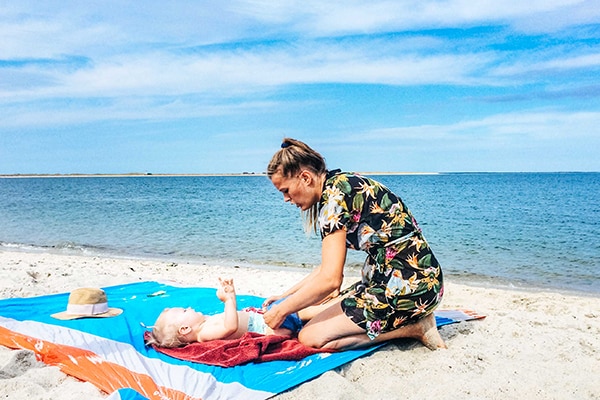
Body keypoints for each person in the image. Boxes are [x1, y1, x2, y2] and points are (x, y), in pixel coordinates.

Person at [262, 138, 446, 351]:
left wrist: (281, 310)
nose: (286, 199)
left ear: (305, 177)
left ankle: (414, 328)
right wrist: (286, 297)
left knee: (310, 337)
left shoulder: (333, 202)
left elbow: (330, 280)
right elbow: (325, 268)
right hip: (415, 278)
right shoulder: (339, 184)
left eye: (285, 190)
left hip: (408, 287)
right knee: (303, 312)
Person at [146, 277, 308, 348]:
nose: (189, 308)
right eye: (184, 311)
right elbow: (230, 326)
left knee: (295, 304)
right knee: (299, 311)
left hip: (263, 319)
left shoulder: (203, 324)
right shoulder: (204, 334)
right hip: (269, 327)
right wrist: (229, 299)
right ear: (185, 329)